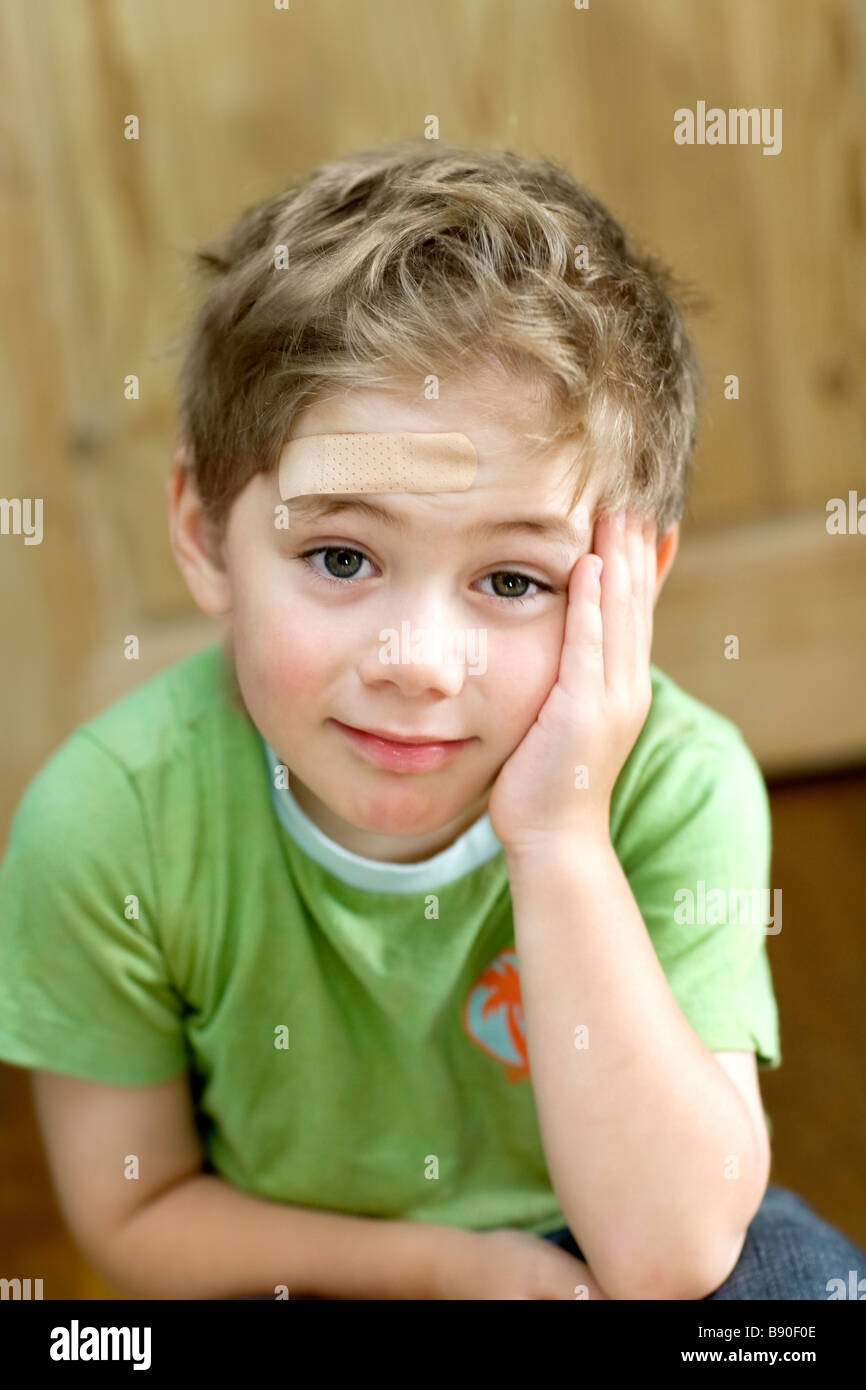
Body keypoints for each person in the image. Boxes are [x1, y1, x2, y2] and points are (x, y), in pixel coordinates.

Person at [1, 140, 863, 1301]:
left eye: (512, 580)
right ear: (205, 529)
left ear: (630, 579)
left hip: (630, 1224)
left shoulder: (676, 779)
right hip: (315, 1268)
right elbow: (136, 1208)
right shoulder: (110, 820)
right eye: (342, 555)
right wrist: (444, 1272)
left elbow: (669, 1254)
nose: (416, 664)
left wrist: (559, 837)